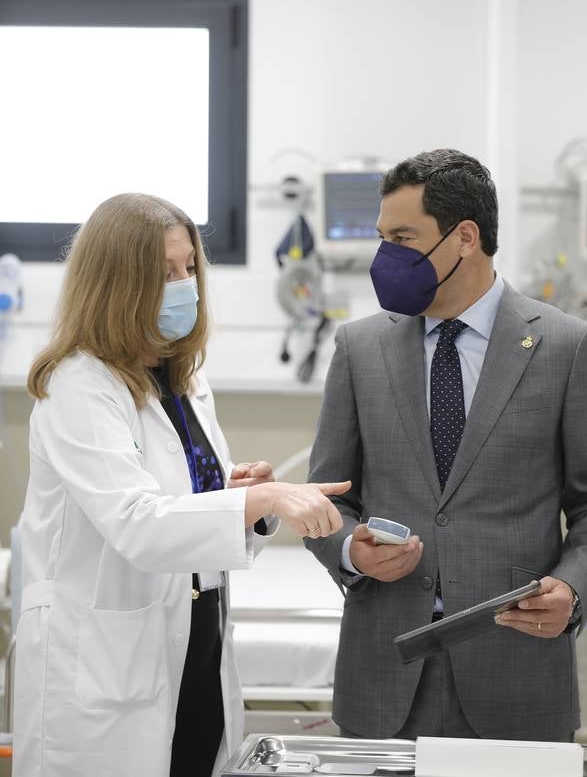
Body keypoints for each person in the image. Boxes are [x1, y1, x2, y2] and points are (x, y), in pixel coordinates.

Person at [12, 193, 350, 777]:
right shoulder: (79, 386)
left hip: (196, 642)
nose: (184, 285)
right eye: (164, 273)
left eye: (188, 267)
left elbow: (189, 513)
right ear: (117, 284)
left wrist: (240, 496)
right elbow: (139, 525)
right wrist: (257, 500)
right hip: (107, 670)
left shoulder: (184, 383)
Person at [305, 149, 587, 743]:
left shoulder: (568, 348)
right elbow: (328, 497)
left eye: (403, 237)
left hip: (515, 668)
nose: (386, 256)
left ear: (465, 237)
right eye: (382, 237)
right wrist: (350, 553)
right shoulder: (360, 348)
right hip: (384, 673)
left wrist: (573, 589)